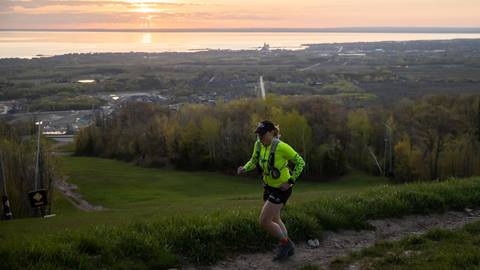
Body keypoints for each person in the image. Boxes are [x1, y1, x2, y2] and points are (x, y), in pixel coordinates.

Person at [237, 120, 305, 261]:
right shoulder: (258, 144)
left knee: (264, 221)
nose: (260, 137)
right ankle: (287, 247)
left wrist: (290, 181)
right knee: (275, 219)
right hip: (268, 187)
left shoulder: (282, 147)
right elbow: (254, 160)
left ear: (272, 132)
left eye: (262, 134)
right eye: (258, 134)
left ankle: (286, 244)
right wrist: (245, 168)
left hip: (282, 189)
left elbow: (300, 162)